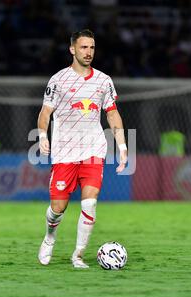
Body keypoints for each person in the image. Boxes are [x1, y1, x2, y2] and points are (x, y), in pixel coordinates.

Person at [36, 29, 128, 268]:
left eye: (92, 47)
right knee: (58, 208)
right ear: (72, 49)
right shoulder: (58, 80)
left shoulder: (103, 81)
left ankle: (77, 255)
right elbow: (45, 112)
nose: (89, 52)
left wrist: (122, 145)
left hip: (93, 151)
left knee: (90, 202)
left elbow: (113, 114)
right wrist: (43, 135)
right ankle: (49, 237)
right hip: (65, 152)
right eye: (84, 47)